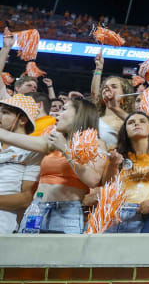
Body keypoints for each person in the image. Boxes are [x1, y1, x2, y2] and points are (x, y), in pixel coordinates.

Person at [0, 98, 105, 234]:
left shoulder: (96, 143)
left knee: (61, 255)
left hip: (67, 212)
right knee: (26, 253)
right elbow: (6, 135)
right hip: (37, 209)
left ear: (79, 114)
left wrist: (65, 149)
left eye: (64, 109)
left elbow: (93, 180)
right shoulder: (51, 141)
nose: (57, 114)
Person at [103, 112, 149, 233]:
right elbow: (107, 186)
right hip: (114, 214)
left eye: (142, 121)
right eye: (131, 122)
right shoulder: (116, 156)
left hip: (146, 215)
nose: (136, 123)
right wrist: (113, 164)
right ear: (125, 130)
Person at [0, 95, 42, 233]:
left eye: (5, 112)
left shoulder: (33, 151)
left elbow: (26, 198)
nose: (0, 115)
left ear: (23, 120)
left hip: (5, 225)